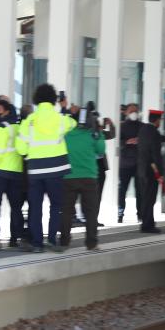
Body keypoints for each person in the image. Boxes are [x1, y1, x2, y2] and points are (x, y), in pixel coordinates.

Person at [16, 84, 77, 253]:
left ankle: (37, 243)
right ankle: (52, 239)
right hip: (56, 170)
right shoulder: (59, 119)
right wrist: (65, 109)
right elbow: (73, 123)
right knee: (56, 205)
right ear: (53, 99)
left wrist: (30, 152)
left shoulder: (30, 121)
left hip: (35, 170)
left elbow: (20, 148)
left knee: (35, 207)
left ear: (36, 99)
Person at [0, 99, 27, 251]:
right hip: (15, 172)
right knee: (16, 207)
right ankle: (19, 238)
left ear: (7, 111)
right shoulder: (19, 128)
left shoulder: (0, 128)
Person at [61, 105, 106, 250]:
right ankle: (91, 243)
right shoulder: (93, 135)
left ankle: (64, 241)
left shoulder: (66, 135)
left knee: (67, 211)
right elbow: (101, 151)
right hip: (89, 177)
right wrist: (98, 133)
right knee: (91, 212)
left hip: (69, 176)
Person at [136, 110, 165, 233]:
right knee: (150, 198)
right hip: (151, 171)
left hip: (141, 169)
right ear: (157, 120)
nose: (160, 122)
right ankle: (147, 225)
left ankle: (147, 221)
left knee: (145, 197)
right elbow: (156, 155)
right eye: (160, 120)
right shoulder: (154, 133)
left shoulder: (143, 130)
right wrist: (160, 174)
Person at [117, 104, 143, 223]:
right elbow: (118, 143)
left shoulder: (142, 126)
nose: (134, 113)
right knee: (122, 190)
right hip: (125, 164)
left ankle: (140, 214)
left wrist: (140, 141)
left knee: (140, 190)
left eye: (136, 111)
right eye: (131, 111)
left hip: (138, 163)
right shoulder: (121, 126)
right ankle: (120, 213)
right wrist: (127, 142)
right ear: (126, 112)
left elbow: (148, 139)